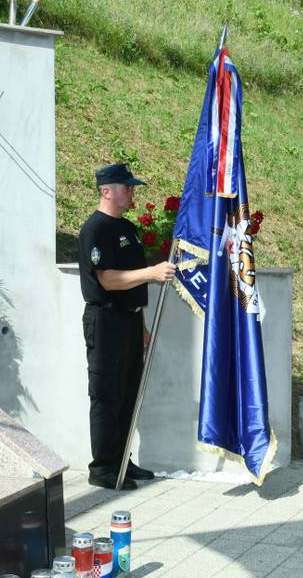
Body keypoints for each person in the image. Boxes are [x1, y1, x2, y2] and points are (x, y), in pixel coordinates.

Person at [77, 163, 177, 490]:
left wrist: (141, 323)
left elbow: (131, 282)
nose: (132, 192)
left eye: (132, 187)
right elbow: (107, 280)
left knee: (128, 393)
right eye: (127, 187)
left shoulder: (128, 229)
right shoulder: (96, 229)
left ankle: (122, 461)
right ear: (107, 191)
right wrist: (151, 273)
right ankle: (103, 468)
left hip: (129, 320)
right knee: (106, 395)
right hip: (106, 321)